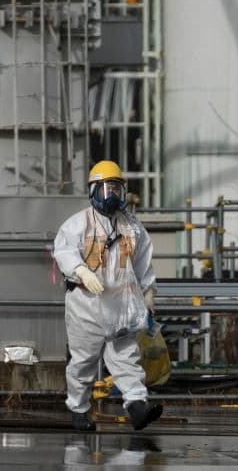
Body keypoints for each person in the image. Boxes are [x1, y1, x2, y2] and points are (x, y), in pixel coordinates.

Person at [53, 160, 163, 432]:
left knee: (125, 355)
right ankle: (79, 408)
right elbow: (63, 251)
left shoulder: (133, 229)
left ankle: (137, 406)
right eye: (107, 188)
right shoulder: (78, 224)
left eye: (117, 188)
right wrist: (81, 272)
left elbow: (143, 265)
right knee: (83, 361)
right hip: (85, 303)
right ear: (94, 191)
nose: (112, 194)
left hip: (121, 303)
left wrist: (147, 296)